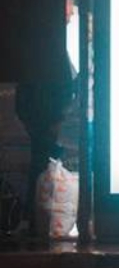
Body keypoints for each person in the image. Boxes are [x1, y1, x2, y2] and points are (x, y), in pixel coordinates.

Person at [15, 54, 76, 231]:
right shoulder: (56, 59)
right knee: (42, 169)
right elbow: (67, 90)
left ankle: (34, 220)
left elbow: (22, 100)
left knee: (38, 170)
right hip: (46, 124)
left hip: (41, 125)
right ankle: (38, 221)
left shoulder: (37, 58)